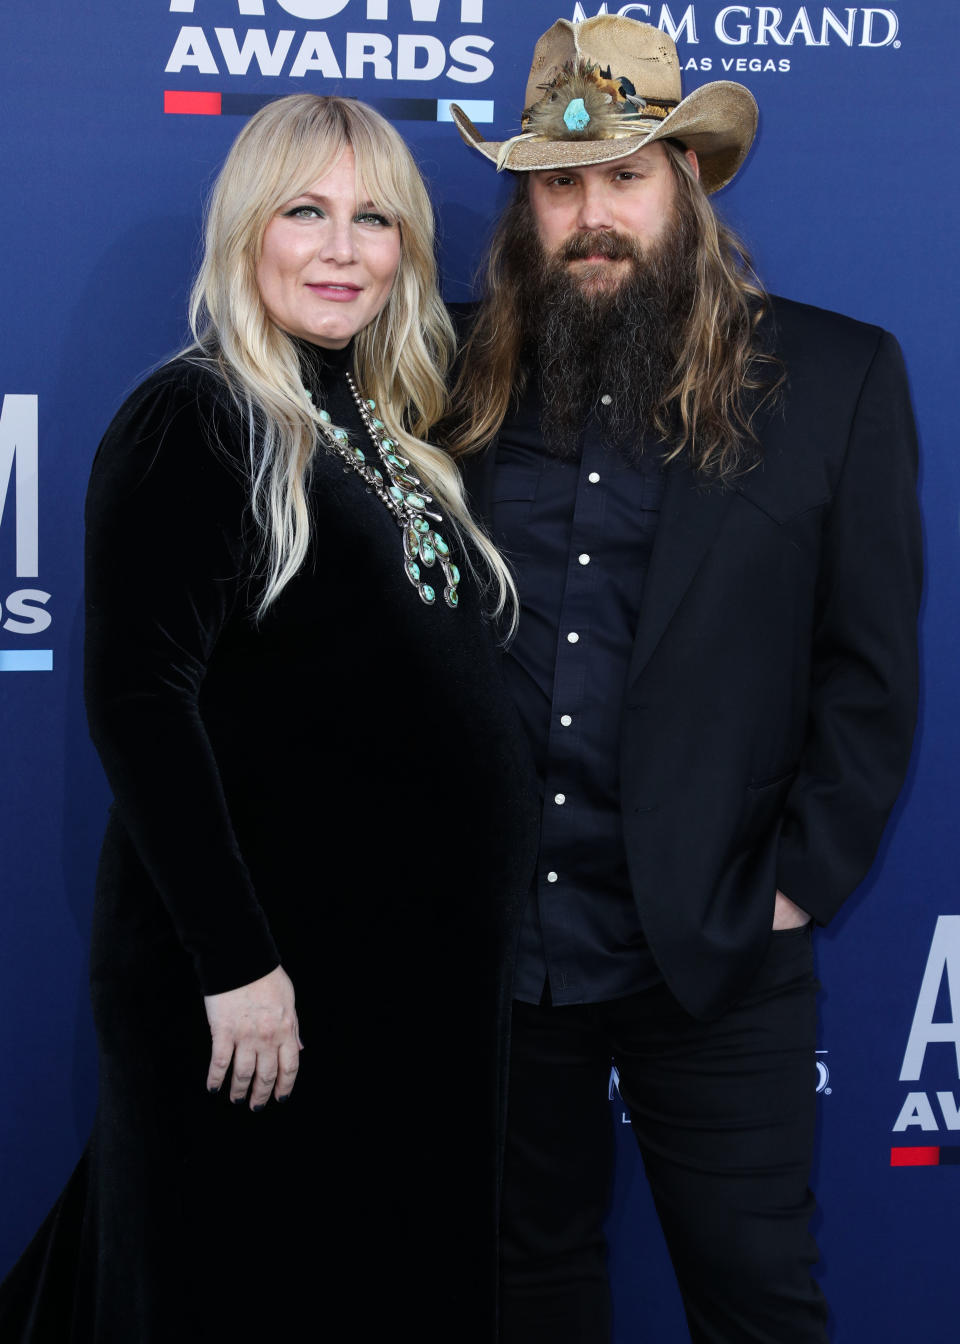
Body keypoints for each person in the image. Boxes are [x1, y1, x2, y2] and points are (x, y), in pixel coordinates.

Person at [0, 94, 536, 1342]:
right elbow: (140, 703)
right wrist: (238, 967)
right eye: (306, 212)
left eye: (375, 218)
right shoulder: (198, 416)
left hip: (406, 1003)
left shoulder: (386, 427)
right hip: (267, 1002)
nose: (342, 248)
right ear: (249, 231)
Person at [445, 16, 921, 1344]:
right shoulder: (431, 370)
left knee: (758, 1300)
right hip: (498, 953)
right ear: (527, 205)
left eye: (625, 176)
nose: (592, 215)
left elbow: (870, 674)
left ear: (690, 186)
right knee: (521, 1289)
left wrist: (793, 887)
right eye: (557, 181)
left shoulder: (836, 379)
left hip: (713, 954)